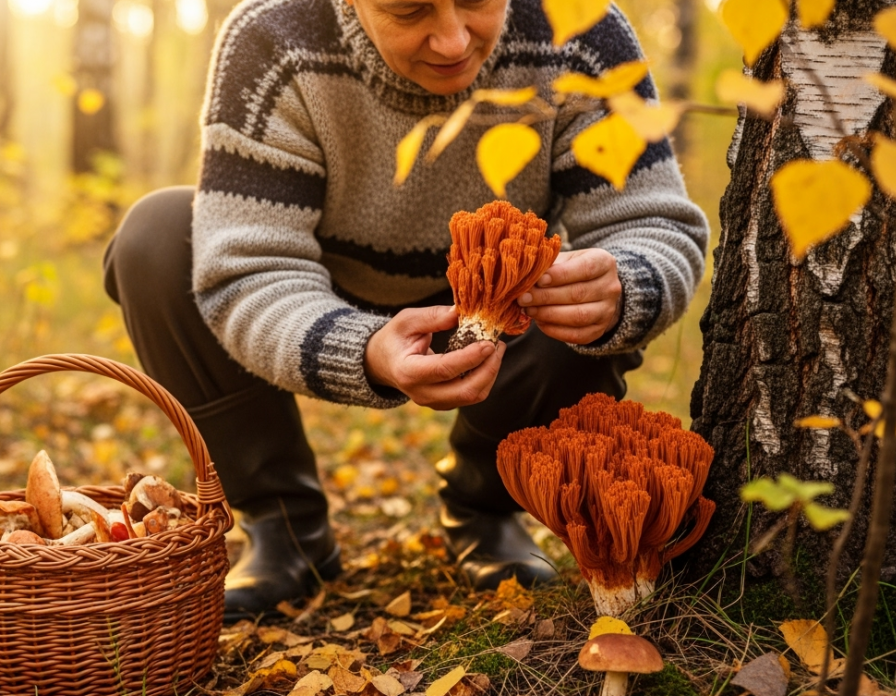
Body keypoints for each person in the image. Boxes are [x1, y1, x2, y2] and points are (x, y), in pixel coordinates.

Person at [103, 0, 708, 620]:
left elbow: (653, 223)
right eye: (410, 10)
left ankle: (488, 509)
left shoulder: (580, 32)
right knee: (155, 235)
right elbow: (247, 269)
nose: (450, 41)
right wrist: (362, 349)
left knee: (602, 269)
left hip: (516, 299)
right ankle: (284, 526)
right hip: (326, 290)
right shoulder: (272, 43)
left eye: (476, 2)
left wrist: (622, 287)